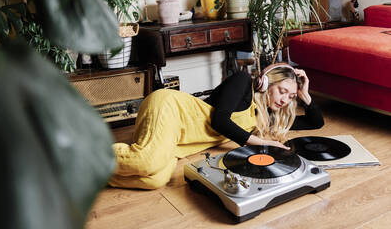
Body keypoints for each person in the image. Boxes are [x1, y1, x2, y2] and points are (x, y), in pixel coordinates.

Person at [109, 63, 324, 189]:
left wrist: (305, 95)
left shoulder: (267, 114)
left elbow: (316, 123)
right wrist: (261, 141)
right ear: (266, 83)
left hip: (179, 142)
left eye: (291, 96)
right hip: (171, 108)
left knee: (155, 179)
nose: (286, 99)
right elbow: (220, 121)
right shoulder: (243, 81)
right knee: (147, 161)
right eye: (282, 91)